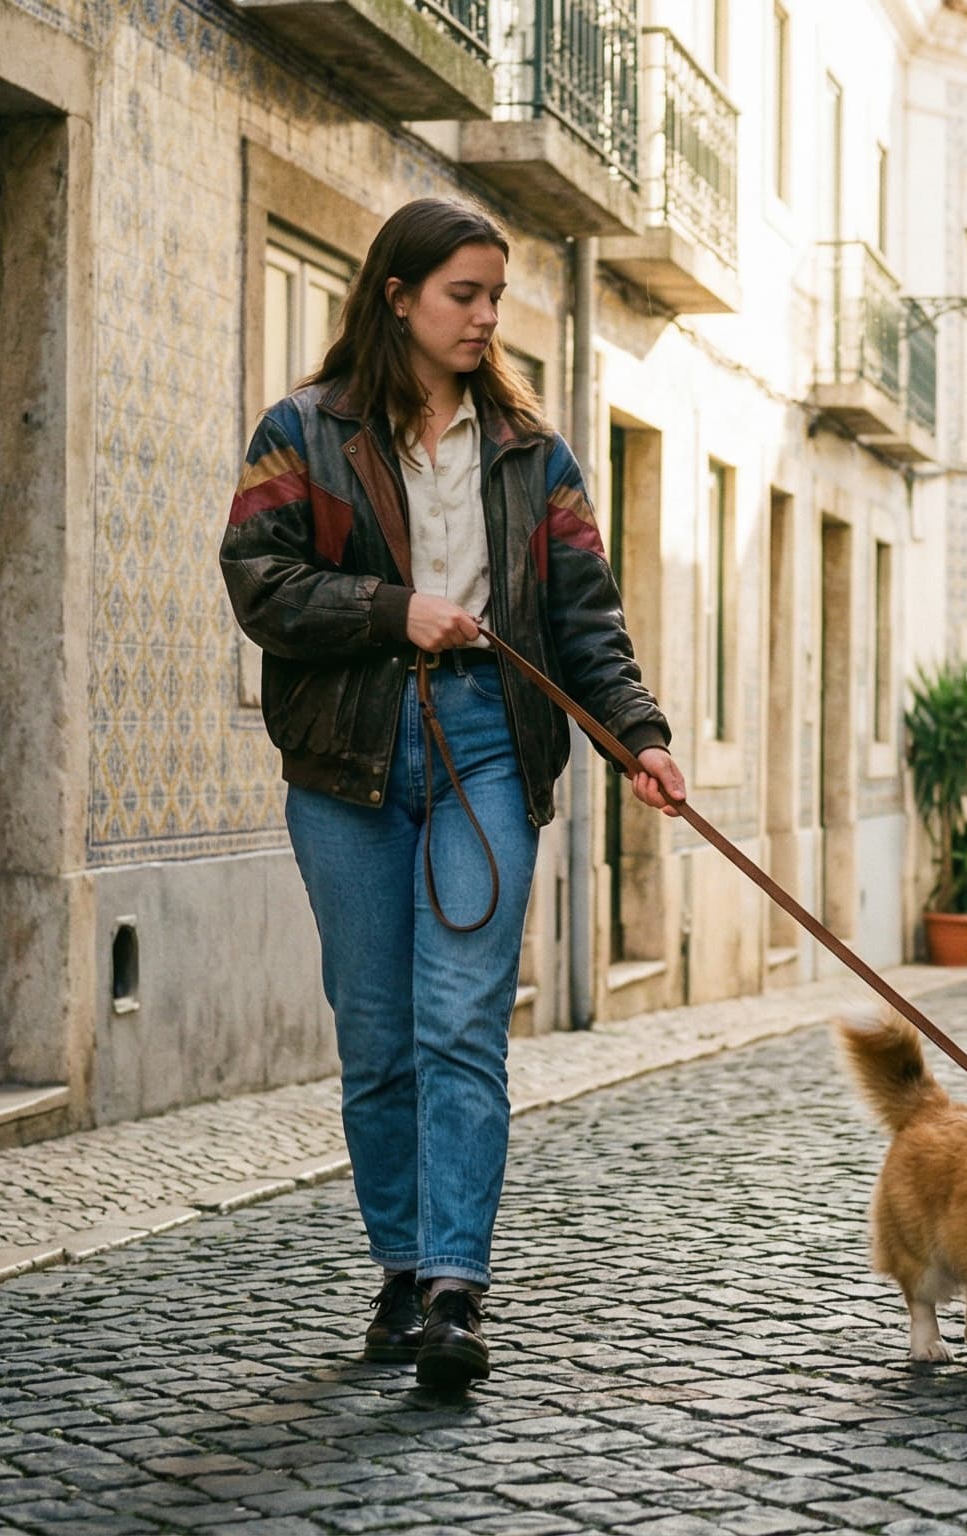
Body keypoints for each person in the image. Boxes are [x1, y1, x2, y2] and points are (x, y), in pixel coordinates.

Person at [220, 196, 685, 1392]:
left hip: (486, 740)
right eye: (463, 294)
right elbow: (258, 583)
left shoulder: (536, 453)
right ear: (398, 296)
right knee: (376, 1037)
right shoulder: (301, 431)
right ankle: (395, 1268)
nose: (486, 316)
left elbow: (587, 615)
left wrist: (638, 735)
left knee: (462, 1025)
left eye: (496, 295)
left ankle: (452, 1290)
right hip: (347, 758)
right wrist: (391, 609)